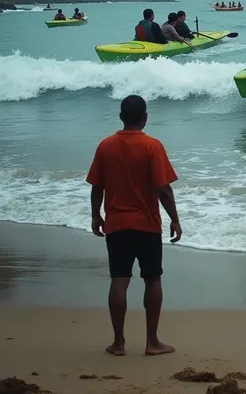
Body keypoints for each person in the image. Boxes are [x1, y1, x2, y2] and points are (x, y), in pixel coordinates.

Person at [86, 95, 182, 357]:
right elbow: (163, 187)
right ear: (145, 118)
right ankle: (152, 343)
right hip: (147, 225)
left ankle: (118, 343)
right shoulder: (152, 146)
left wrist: (96, 215)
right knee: (152, 279)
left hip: (116, 225)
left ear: (120, 117)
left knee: (119, 281)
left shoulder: (106, 146)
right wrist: (174, 218)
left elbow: (97, 186)